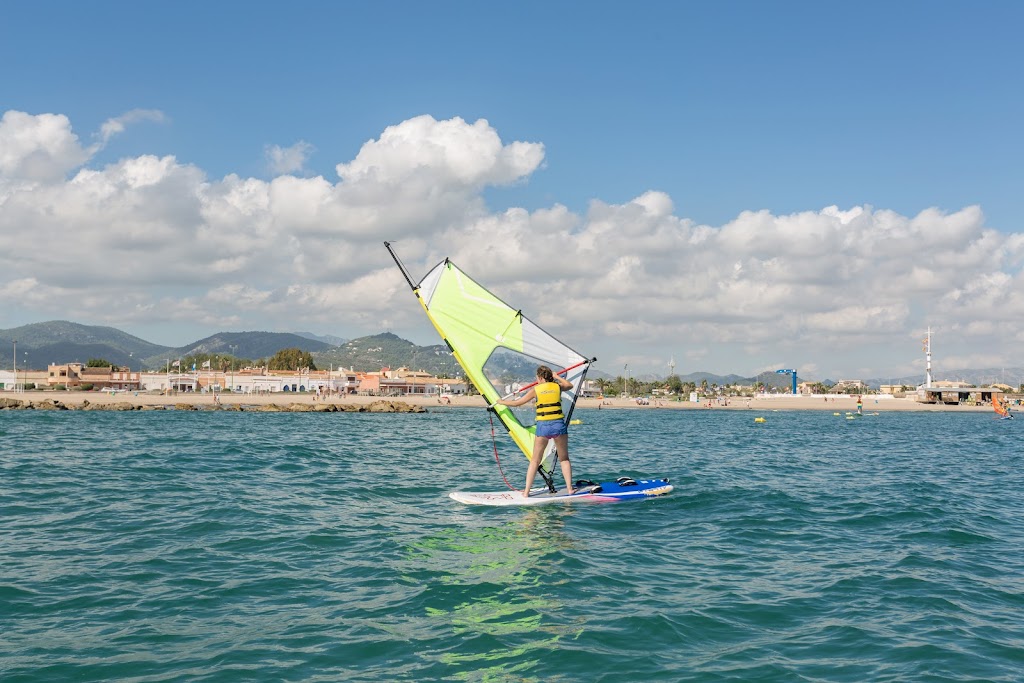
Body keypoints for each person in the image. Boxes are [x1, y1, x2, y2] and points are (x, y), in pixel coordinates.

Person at [496, 365, 574, 497]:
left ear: (540, 377)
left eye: (537, 378)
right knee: (564, 459)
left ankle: (526, 492)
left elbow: (518, 403)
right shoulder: (557, 386)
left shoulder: (536, 390)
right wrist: (557, 377)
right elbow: (569, 385)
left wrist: (501, 402)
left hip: (543, 427)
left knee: (535, 461)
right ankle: (570, 489)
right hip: (558, 426)